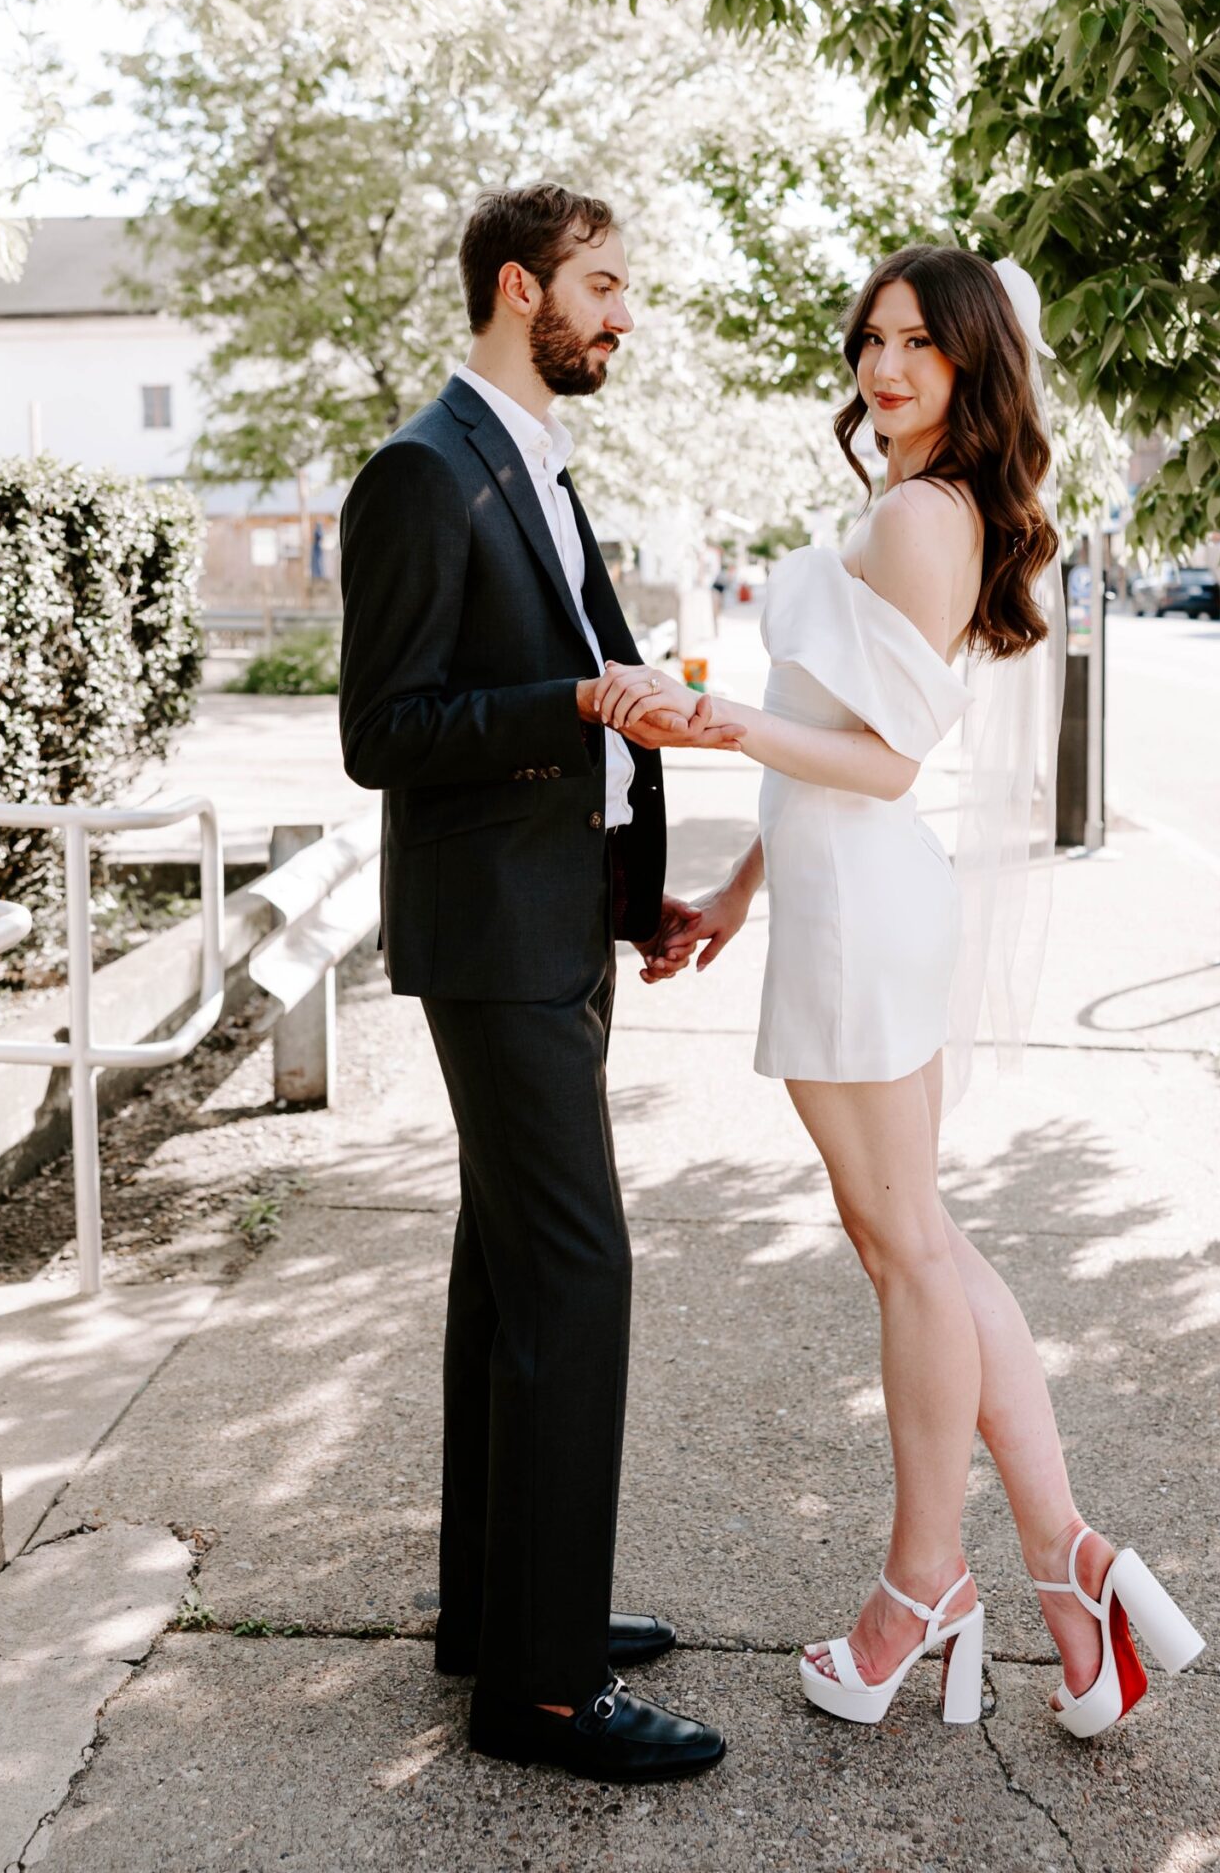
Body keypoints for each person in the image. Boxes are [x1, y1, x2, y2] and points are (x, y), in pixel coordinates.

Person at [599, 248, 1204, 1740]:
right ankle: (1075, 1574)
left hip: (869, 914)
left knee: (907, 1253)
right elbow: (840, 736)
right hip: (841, 903)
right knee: (918, 1242)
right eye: (873, 340)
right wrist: (740, 894)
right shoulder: (925, 504)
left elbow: (880, 764)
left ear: (974, 364)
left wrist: (713, 722)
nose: (885, 370)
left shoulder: (924, 514)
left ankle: (925, 1585)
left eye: (921, 347)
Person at [338, 182, 729, 1785]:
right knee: (578, 1276)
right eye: (606, 284)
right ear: (521, 288)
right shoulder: (424, 473)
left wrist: (644, 897)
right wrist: (571, 696)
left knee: (509, 1271)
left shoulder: (543, 472)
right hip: (490, 943)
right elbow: (388, 734)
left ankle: (497, 1617)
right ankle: (546, 1696)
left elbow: (604, 722)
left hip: (561, 925)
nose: (625, 314)